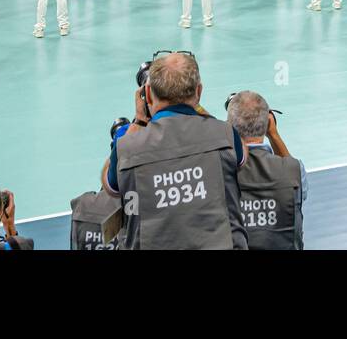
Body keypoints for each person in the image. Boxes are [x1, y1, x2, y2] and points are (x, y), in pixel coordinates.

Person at [104, 51, 247, 249]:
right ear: (199, 92)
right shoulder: (226, 134)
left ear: (146, 95)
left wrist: (138, 121)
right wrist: (198, 109)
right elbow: (242, 158)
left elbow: (110, 187)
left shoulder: (126, 147)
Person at [226, 91, 306, 250]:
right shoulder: (296, 171)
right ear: (269, 123)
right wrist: (274, 135)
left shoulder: (219, 171)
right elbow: (296, 178)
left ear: (230, 126)